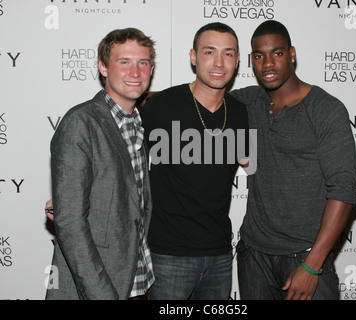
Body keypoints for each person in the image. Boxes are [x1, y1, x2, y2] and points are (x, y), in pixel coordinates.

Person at [231, 20, 356, 300]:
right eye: (259, 56)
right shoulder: (249, 101)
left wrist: (312, 266)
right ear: (251, 60)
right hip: (254, 257)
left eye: (277, 53)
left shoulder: (325, 109)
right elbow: (201, 101)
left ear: (292, 54)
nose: (267, 64)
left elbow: (345, 190)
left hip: (305, 257)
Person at [141, 22, 249, 300]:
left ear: (237, 61)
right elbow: (121, 159)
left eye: (228, 54)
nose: (219, 62)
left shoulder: (240, 114)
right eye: (209, 52)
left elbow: (258, 166)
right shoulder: (160, 106)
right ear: (193, 56)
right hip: (168, 256)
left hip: (221, 256)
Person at [45, 27, 155, 300]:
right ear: (103, 67)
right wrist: (101, 294)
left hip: (139, 281)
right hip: (99, 287)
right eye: (124, 62)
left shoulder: (138, 123)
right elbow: (70, 223)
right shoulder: (81, 123)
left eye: (143, 63)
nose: (135, 72)